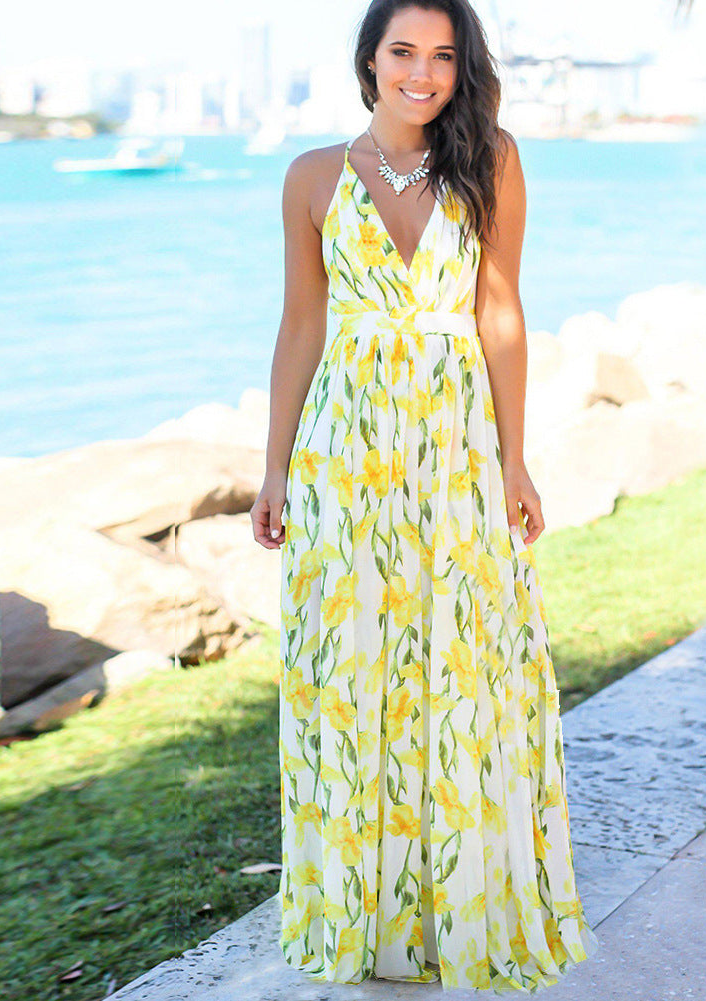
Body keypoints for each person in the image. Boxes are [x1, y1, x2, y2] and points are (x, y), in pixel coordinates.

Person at [250, 0, 600, 990]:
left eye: (443, 56)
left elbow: (499, 313)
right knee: (350, 666)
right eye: (402, 51)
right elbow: (300, 330)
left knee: (464, 661)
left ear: (461, 68)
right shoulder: (313, 177)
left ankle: (461, 902)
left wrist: (513, 460)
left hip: (454, 452)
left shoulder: (490, 158)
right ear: (368, 61)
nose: (422, 72)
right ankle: (361, 912)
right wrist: (273, 467)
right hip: (344, 456)